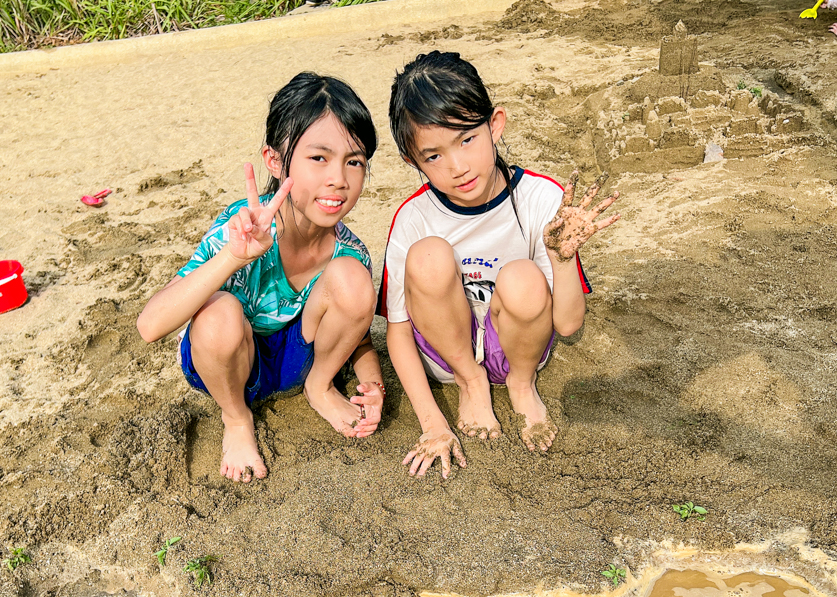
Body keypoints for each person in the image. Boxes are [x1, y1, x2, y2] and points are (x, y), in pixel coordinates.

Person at [380, 51, 620, 478]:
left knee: (524, 276)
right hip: (445, 355)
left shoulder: (541, 199)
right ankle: (473, 383)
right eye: (433, 156)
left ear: (495, 125)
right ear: (411, 162)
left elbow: (566, 325)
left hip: (516, 347)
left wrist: (563, 261)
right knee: (429, 256)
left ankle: (521, 386)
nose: (457, 166)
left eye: (467, 139)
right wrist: (433, 422)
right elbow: (397, 331)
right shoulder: (413, 218)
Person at [136, 73, 385, 483]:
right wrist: (233, 257)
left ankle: (320, 388)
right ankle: (236, 418)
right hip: (228, 363)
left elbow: (357, 335)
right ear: (274, 161)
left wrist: (371, 383)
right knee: (218, 313)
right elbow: (150, 326)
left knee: (354, 281)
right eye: (318, 158)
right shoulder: (241, 228)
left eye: (354, 161)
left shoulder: (349, 251)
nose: (339, 179)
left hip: (298, 362)